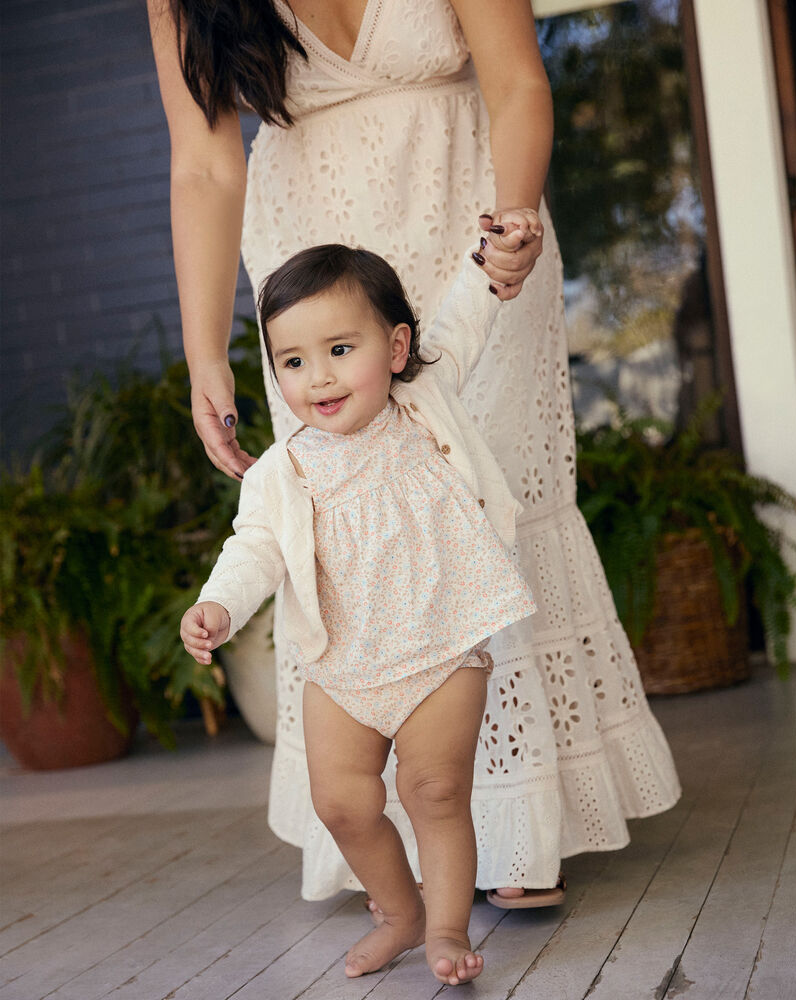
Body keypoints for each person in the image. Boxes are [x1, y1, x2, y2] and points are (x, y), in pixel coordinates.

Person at [150, 0, 681, 908]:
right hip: (312, 259)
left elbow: (517, 79)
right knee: (354, 522)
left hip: (471, 217)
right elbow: (203, 163)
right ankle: (396, 843)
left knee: (485, 492)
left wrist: (512, 221)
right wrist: (205, 356)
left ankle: (517, 837)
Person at [181, 243, 538, 985]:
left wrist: (486, 262)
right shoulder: (285, 469)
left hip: (441, 645)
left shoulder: (423, 402)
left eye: (341, 349)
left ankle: (442, 928)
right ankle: (398, 908)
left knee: (435, 791)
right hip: (344, 666)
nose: (320, 378)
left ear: (396, 345)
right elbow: (253, 549)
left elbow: (465, 321)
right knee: (341, 802)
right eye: (294, 361)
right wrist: (219, 605)